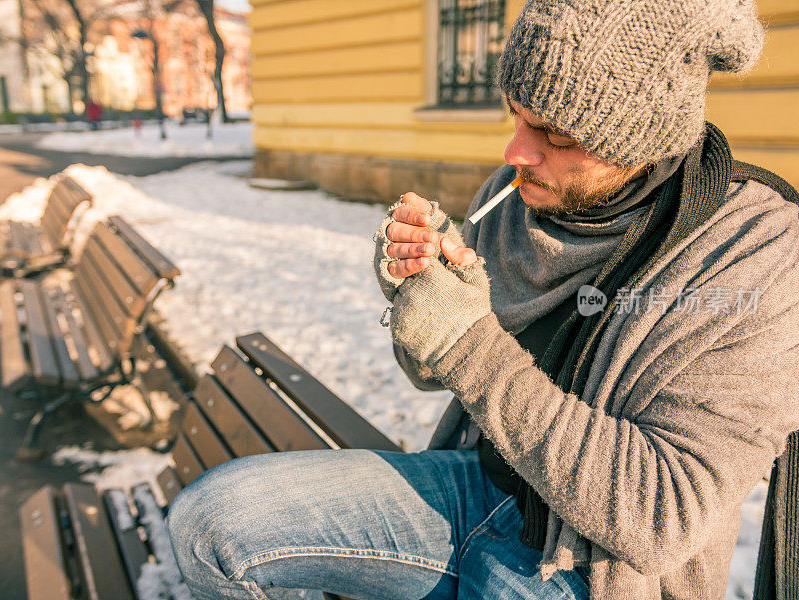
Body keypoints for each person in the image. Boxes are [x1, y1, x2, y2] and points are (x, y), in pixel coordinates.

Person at [167, 1, 799, 599]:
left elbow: (663, 517)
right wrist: (422, 291)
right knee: (211, 523)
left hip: (590, 566)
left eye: (552, 133)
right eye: (515, 116)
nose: (515, 153)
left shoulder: (756, 258)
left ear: (640, 139)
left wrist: (466, 342)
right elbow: (428, 372)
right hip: (471, 486)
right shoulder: (516, 195)